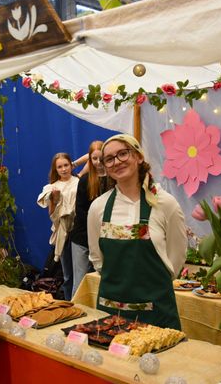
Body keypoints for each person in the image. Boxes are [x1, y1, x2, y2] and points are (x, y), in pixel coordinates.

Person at [88, 134, 187, 329]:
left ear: (139, 157)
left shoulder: (165, 204)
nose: (117, 162)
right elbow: (97, 258)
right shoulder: (98, 207)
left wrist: (154, 287)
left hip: (156, 313)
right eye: (109, 159)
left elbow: (177, 256)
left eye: (123, 154)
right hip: (111, 312)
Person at [70, 140, 111, 298]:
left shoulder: (114, 180)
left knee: (101, 280)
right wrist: (95, 228)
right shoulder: (85, 180)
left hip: (105, 238)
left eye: (101, 158)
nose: (98, 162)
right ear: (90, 160)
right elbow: (80, 210)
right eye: (94, 159)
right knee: (80, 282)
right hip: (82, 238)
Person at [37, 152, 79, 300]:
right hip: (62, 232)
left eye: (66, 165)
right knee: (67, 274)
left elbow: (91, 155)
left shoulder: (79, 181)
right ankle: (68, 302)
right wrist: (54, 200)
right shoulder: (52, 187)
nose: (64, 169)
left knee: (81, 272)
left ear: (71, 165)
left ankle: (81, 302)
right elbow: (51, 214)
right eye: (60, 167)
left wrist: (76, 163)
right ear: (55, 169)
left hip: (79, 231)